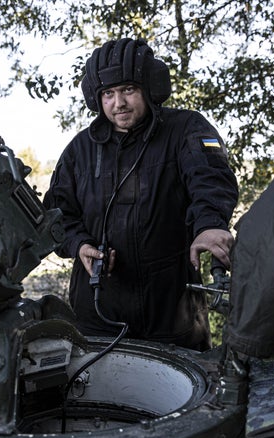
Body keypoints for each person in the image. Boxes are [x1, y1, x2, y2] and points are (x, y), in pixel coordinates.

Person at [43, 38, 238, 351]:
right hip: (97, 312)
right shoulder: (79, 150)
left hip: (173, 312)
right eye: (108, 93)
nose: (118, 102)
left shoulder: (186, 128)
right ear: (97, 98)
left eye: (128, 90)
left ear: (150, 88)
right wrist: (79, 245)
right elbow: (57, 214)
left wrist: (210, 223)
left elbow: (210, 178)